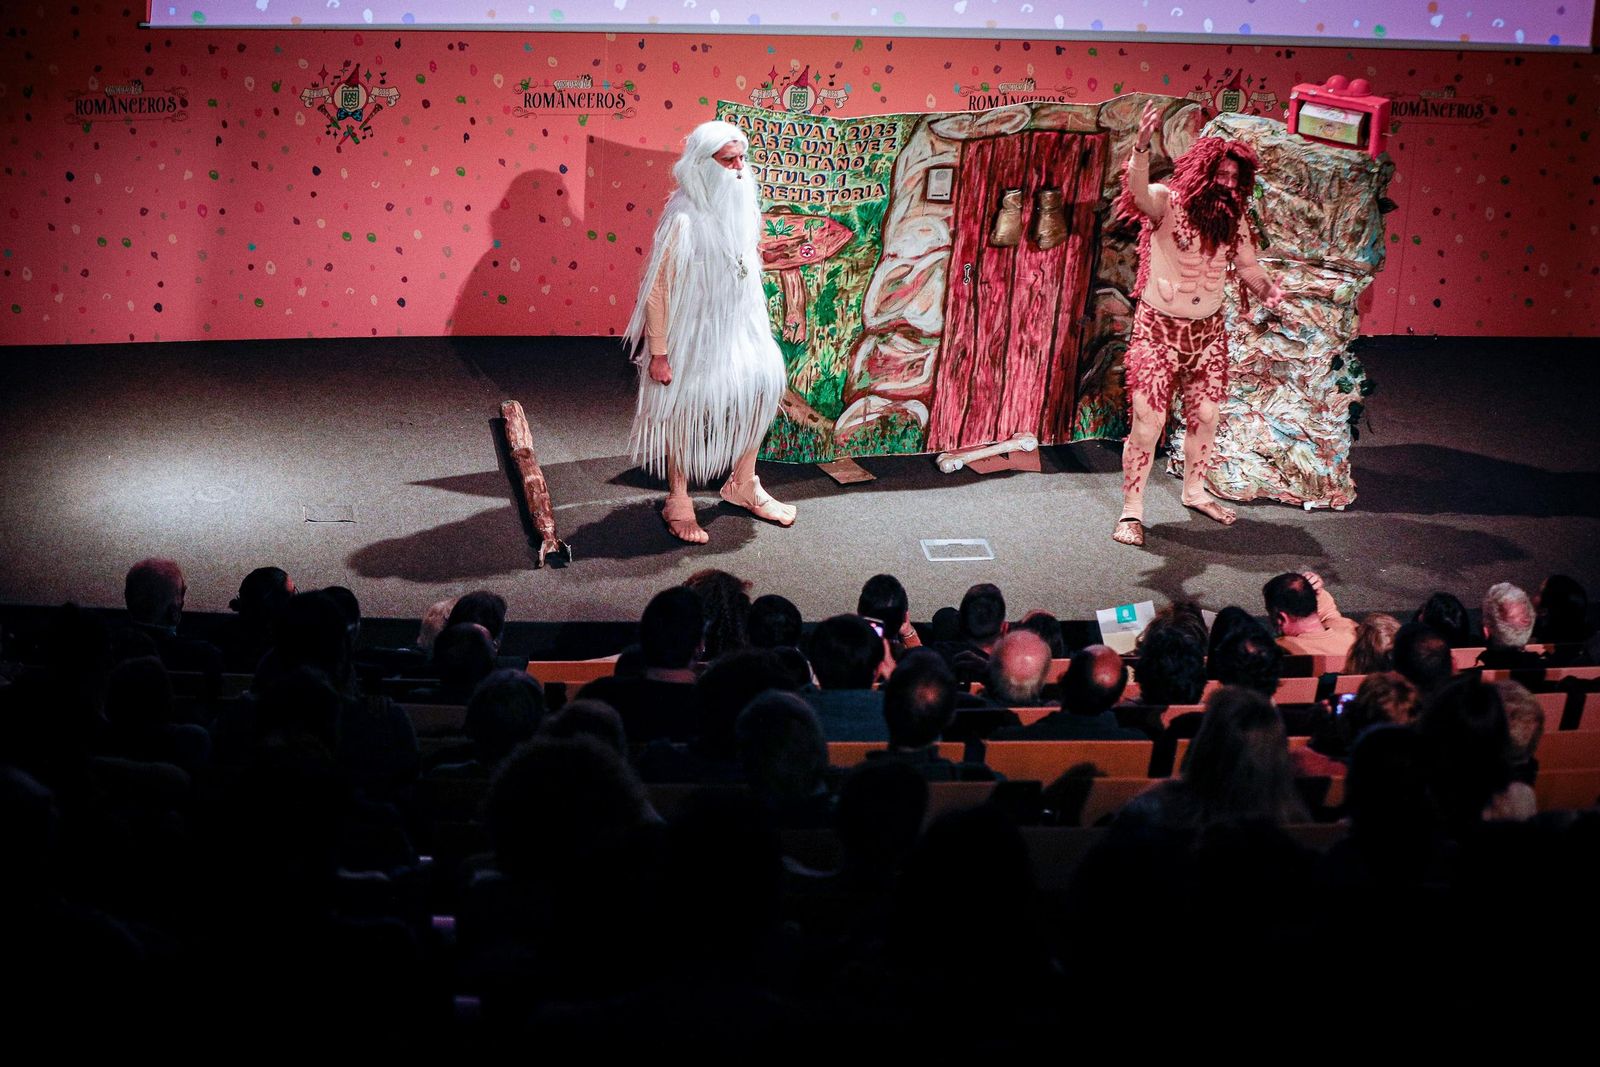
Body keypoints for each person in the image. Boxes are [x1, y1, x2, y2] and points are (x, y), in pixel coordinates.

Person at [1111, 101, 1284, 546]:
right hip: (1158, 333)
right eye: (1220, 176)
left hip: (1206, 336)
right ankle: (1132, 511)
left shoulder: (1234, 222)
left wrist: (1268, 290)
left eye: (1234, 179)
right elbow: (1136, 193)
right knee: (1147, 425)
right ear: (1204, 173)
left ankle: (1194, 491)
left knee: (1206, 416)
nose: (1226, 185)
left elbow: (1248, 267)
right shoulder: (1167, 204)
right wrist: (1143, 145)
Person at [623, 119, 793, 544]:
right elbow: (657, 292)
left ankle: (744, 482)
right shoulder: (683, 217)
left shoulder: (741, 205)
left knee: (763, 386)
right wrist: (659, 353)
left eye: (742, 159)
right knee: (687, 406)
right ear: (703, 164)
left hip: (742, 327)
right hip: (696, 334)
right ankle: (677, 498)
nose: (739, 168)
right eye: (728, 160)